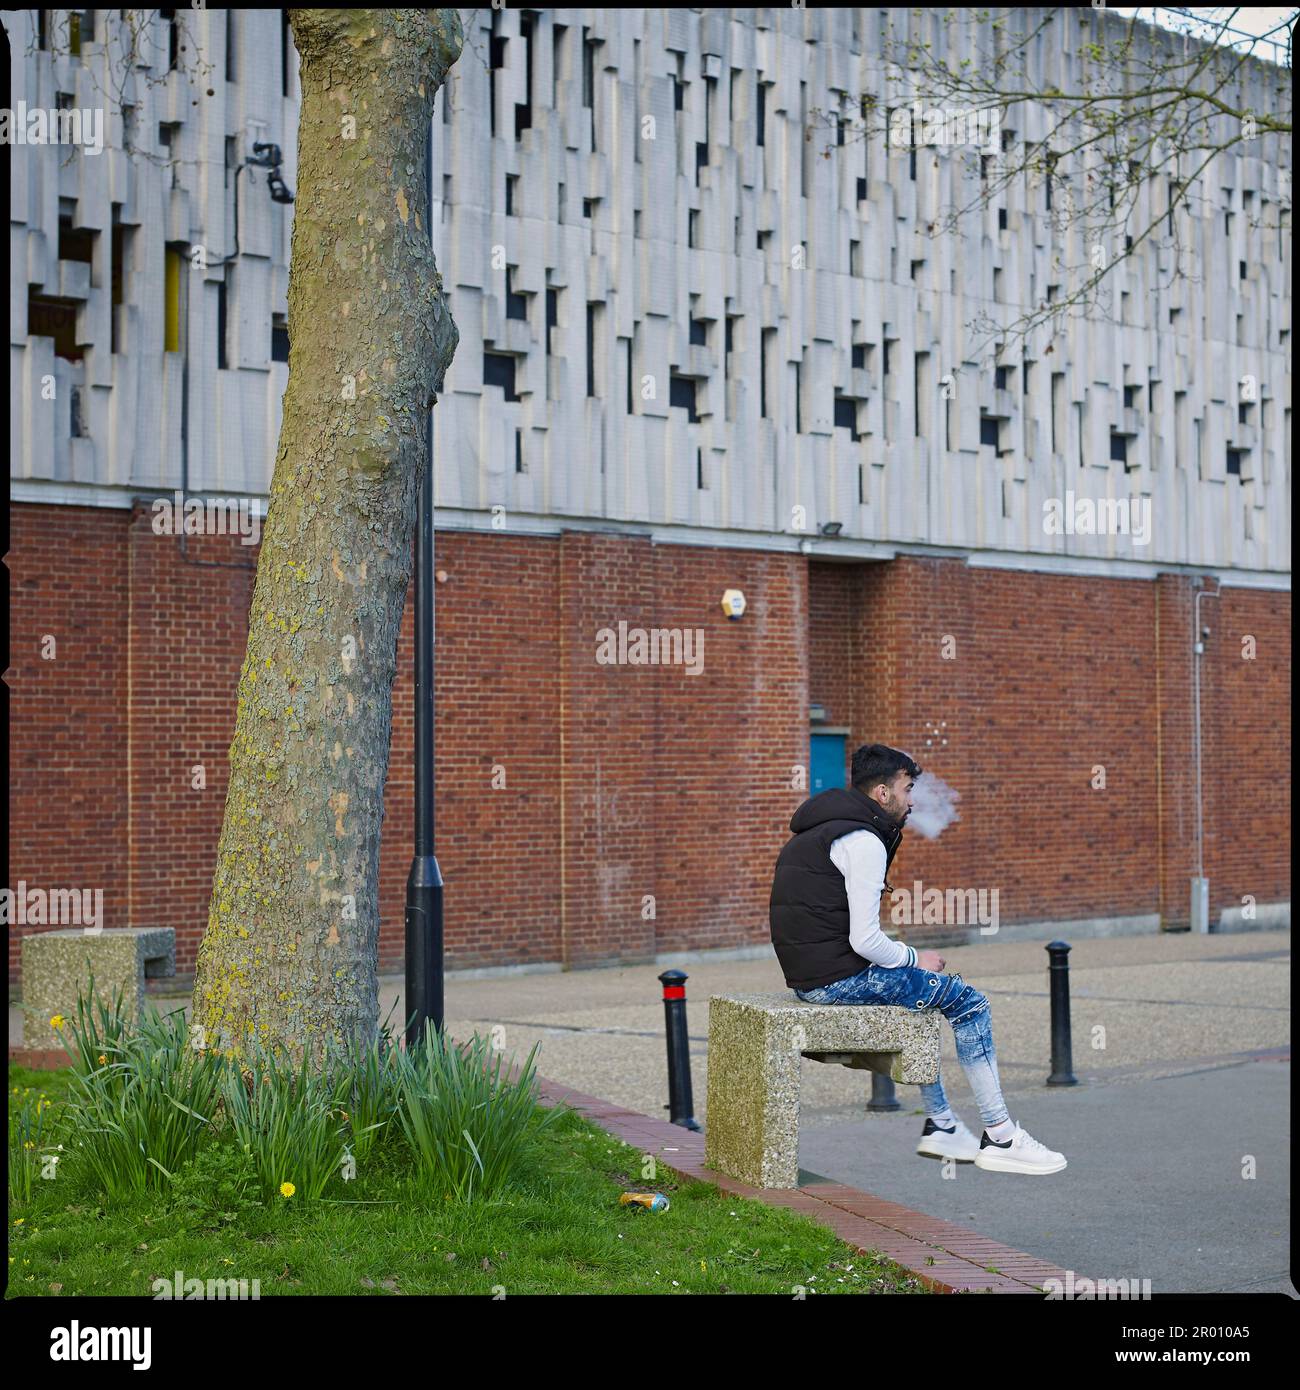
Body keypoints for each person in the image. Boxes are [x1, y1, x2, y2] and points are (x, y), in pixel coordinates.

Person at [769, 743, 1067, 1174]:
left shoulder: (821, 830)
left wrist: (905, 966)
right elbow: (866, 940)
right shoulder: (862, 839)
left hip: (809, 976)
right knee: (968, 1002)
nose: (913, 801)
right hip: (835, 981)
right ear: (882, 794)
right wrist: (914, 957)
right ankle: (1001, 1136)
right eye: (908, 789)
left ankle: (943, 1124)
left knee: (923, 999)